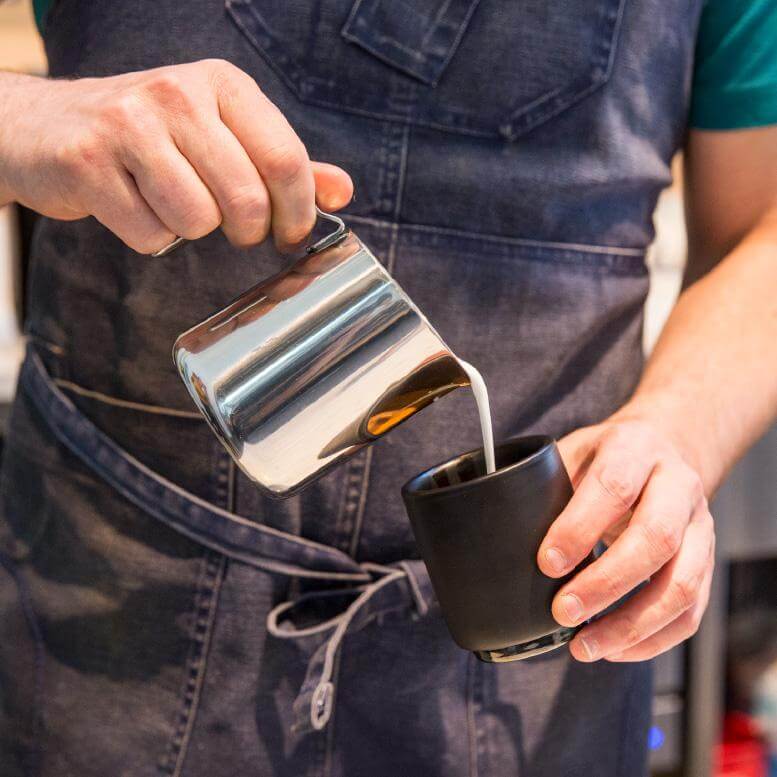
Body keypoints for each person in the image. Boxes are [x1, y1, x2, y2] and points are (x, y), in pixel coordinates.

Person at [0, 1, 775, 775]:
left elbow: (761, 226)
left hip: (544, 647)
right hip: (118, 620)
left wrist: (674, 431)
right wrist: (27, 116)